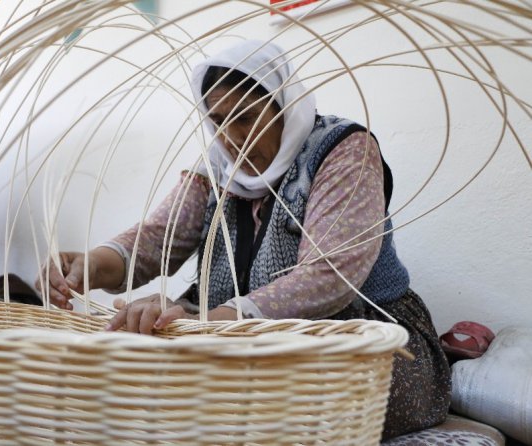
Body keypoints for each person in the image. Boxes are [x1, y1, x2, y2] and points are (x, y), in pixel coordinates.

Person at [37, 40, 450, 439]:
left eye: (247, 118)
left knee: (269, 408)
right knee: (128, 375)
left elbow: (329, 275)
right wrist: (90, 264)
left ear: (283, 107)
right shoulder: (216, 167)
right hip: (237, 342)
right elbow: (158, 237)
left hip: (360, 343)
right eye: (217, 121)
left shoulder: (344, 151)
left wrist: (206, 325)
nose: (232, 139)